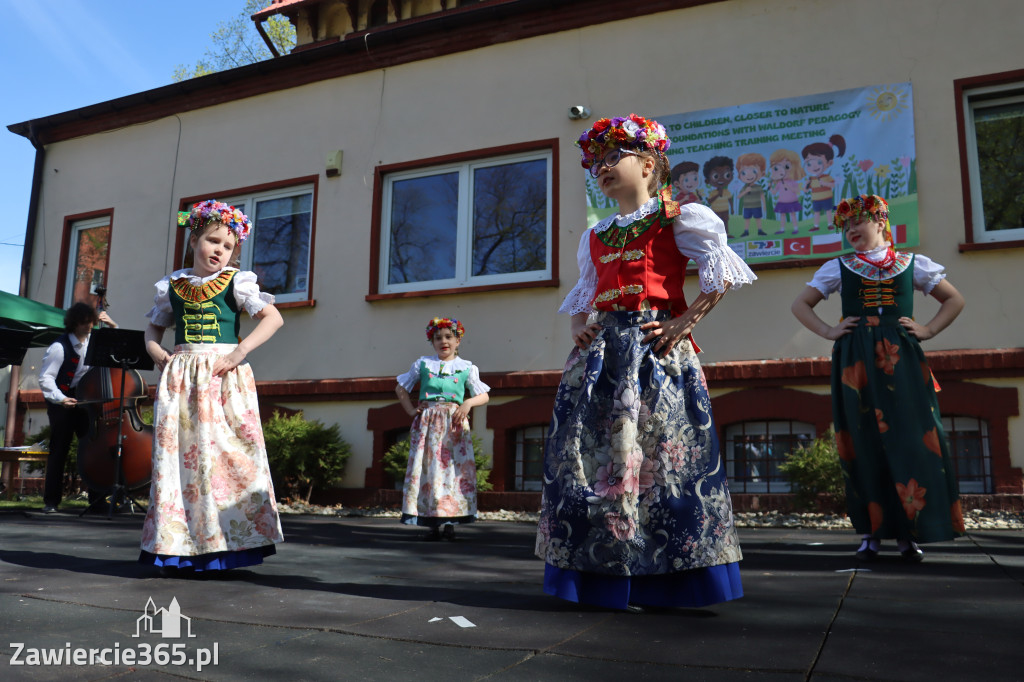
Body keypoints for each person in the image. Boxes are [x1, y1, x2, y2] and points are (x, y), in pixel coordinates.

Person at [536, 114, 756, 611]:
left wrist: (684, 322)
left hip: (656, 355)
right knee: (594, 463)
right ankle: (600, 576)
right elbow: (583, 300)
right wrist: (579, 328)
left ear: (650, 163)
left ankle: (669, 582)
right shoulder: (595, 237)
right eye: (597, 163)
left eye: (614, 157)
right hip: (603, 362)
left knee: (664, 464)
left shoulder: (681, 216)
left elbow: (717, 274)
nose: (603, 168)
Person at [791, 194, 966, 562]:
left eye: (859, 221)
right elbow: (800, 304)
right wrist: (828, 331)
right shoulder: (838, 267)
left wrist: (929, 330)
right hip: (856, 360)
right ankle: (871, 533)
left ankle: (910, 532)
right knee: (862, 439)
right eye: (846, 226)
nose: (851, 229)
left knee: (911, 437)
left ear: (881, 223)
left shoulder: (913, 264)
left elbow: (954, 300)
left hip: (901, 359)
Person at [139, 200, 284, 574]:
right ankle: (178, 544)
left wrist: (240, 352)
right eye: (213, 241)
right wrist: (156, 350)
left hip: (222, 375)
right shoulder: (171, 285)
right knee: (180, 460)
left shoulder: (237, 282)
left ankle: (228, 542)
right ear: (194, 240)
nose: (219, 250)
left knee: (227, 458)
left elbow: (273, 319)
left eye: (228, 246)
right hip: (182, 375)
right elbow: (155, 327)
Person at [395, 317, 490, 540]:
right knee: (430, 471)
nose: (443, 341)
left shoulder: (466, 367)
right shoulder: (423, 364)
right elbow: (401, 389)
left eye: (449, 337)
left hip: (454, 425)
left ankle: (450, 522)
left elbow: (484, 395)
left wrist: (467, 403)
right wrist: (410, 411)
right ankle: (432, 522)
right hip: (428, 425)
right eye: (438, 338)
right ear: (432, 342)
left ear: (458, 341)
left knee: (452, 471)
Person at [37, 302, 118, 513]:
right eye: (84, 324)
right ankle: (51, 502)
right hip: (62, 402)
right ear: (74, 324)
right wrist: (61, 398)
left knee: (93, 449)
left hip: (86, 400)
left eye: (91, 323)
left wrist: (112, 326)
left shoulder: (93, 341)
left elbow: (118, 349)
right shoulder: (59, 347)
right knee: (59, 450)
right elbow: (46, 378)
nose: (89, 327)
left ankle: (97, 500)